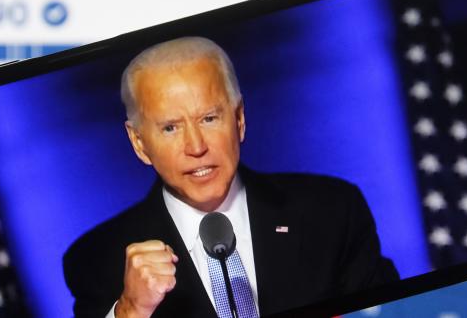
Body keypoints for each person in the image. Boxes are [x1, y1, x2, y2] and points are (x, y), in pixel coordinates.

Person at [63, 36, 398, 318]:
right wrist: (131, 310)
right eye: (170, 128)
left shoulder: (332, 211)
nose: (196, 146)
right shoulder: (97, 260)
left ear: (238, 119)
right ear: (139, 143)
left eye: (209, 118)